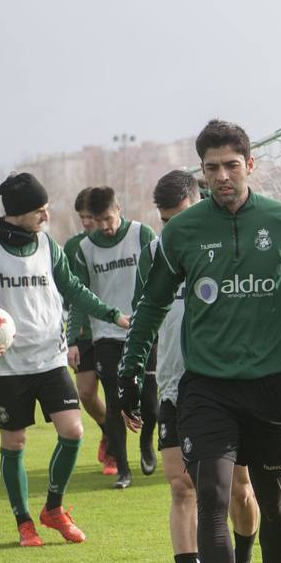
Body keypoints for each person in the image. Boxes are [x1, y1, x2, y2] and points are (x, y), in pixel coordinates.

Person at [118, 119, 281, 563]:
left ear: (251, 165)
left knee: (270, 498)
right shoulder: (180, 233)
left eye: (231, 165)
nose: (223, 176)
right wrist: (132, 367)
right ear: (200, 173)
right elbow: (151, 304)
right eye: (212, 167)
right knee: (211, 494)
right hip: (206, 388)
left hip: (271, 385)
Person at [0, 172, 129, 546]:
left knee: (73, 432)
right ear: (18, 212)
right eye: (40, 210)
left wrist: (112, 314)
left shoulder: (48, 245)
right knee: (14, 444)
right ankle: (24, 521)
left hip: (50, 357)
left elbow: (74, 288)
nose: (47, 216)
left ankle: (54, 509)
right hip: (6, 364)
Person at [138, 171, 262, 563]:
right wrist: (138, 375)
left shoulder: (229, 246)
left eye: (180, 218)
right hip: (174, 386)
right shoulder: (154, 253)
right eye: (165, 221)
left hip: (226, 384)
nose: (173, 230)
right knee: (181, 486)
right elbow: (148, 316)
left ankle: (243, 562)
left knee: (238, 490)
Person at [69, 187, 157, 489]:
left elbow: (160, 277)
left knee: (150, 402)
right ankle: (123, 470)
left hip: (144, 330)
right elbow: (79, 297)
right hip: (107, 335)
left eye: (109, 218)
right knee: (116, 403)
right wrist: (72, 340)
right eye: (99, 220)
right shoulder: (84, 249)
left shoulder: (142, 234)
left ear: (118, 208)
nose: (105, 226)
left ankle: (147, 443)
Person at [61, 187, 113, 474]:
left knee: (118, 395)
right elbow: (71, 293)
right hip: (85, 332)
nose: (87, 223)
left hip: (114, 330)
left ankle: (115, 451)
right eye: (82, 217)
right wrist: (72, 335)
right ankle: (109, 433)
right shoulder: (73, 247)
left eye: (90, 216)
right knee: (86, 392)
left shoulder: (119, 241)